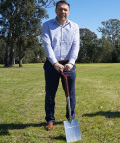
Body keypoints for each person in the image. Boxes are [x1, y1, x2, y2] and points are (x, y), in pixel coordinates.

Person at [41, 0, 80, 131]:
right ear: (55, 10)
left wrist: (71, 63)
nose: (63, 12)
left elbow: (76, 46)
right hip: (52, 65)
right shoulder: (47, 25)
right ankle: (50, 120)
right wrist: (55, 63)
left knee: (71, 95)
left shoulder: (74, 26)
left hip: (69, 65)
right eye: (60, 9)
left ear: (68, 11)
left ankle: (70, 118)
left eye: (65, 9)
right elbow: (47, 46)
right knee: (50, 94)